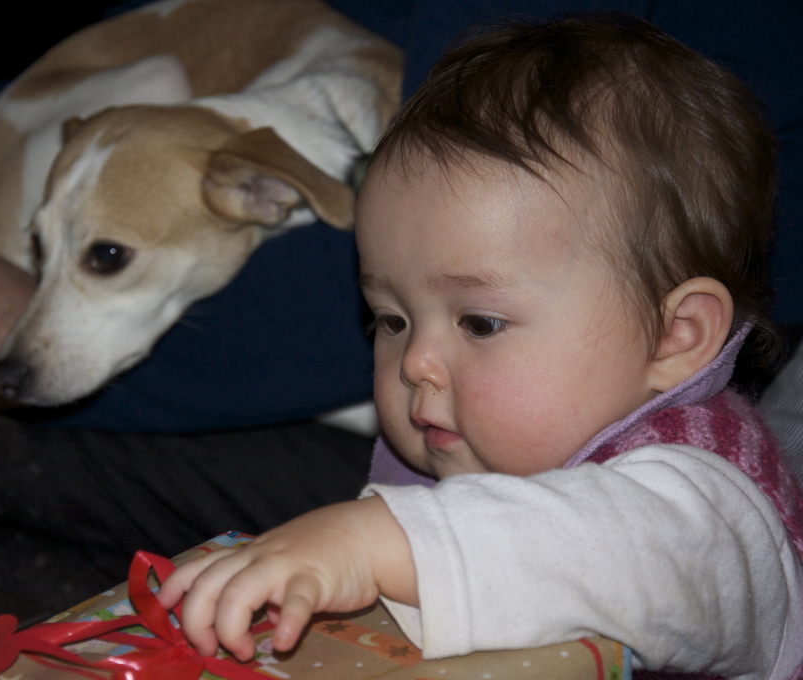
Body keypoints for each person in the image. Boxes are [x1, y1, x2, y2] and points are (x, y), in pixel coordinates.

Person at [157, 15, 803, 678]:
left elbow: (611, 550)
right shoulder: (480, 452)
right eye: (391, 320)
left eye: (481, 324)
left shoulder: (706, 504)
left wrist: (375, 543)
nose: (415, 363)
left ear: (675, 337)